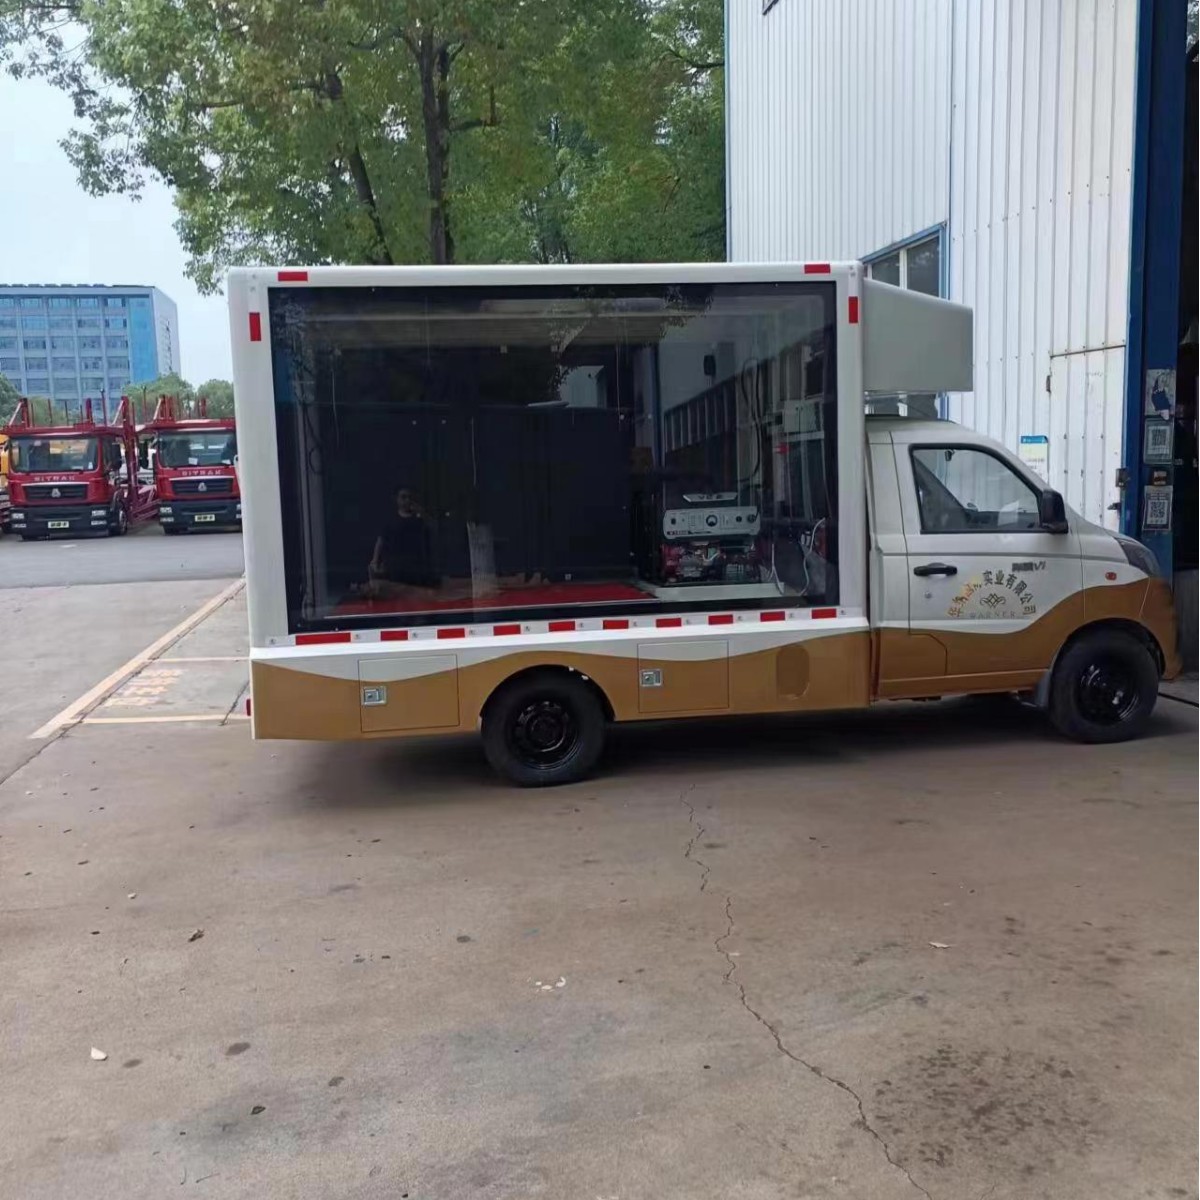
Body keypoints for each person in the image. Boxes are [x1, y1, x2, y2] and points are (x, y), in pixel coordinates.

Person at [368, 485, 438, 590]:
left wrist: (422, 513)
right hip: (395, 567)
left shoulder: (419, 519)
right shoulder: (391, 519)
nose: (407, 500)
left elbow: (434, 527)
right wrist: (375, 560)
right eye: (403, 497)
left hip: (415, 568)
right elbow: (381, 540)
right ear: (397, 499)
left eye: (409, 497)